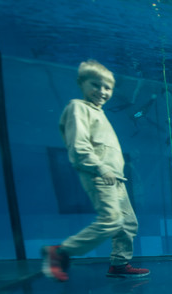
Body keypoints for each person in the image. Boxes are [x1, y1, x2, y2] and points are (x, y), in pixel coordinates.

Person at [42, 60, 149, 282]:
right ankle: (59, 252)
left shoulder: (99, 113)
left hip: (115, 179)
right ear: (81, 83)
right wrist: (100, 168)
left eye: (107, 88)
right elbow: (78, 146)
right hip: (99, 176)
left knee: (128, 223)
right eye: (96, 85)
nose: (102, 91)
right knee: (110, 221)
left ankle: (119, 265)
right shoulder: (77, 108)